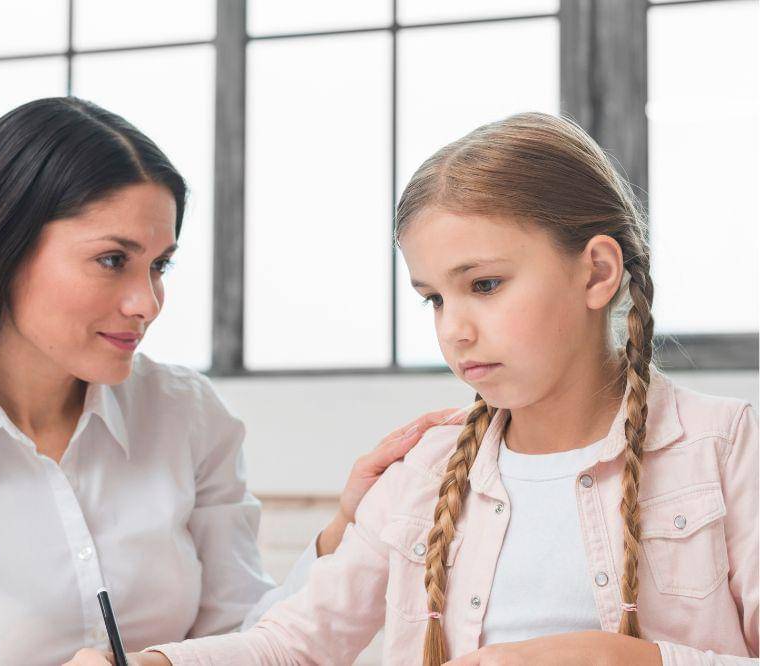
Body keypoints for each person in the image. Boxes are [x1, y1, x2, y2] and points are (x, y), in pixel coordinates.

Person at [0, 97, 462, 666]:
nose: (146, 303)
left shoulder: (185, 416)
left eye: (159, 265)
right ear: (2, 249)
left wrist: (344, 530)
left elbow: (248, 637)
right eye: (112, 260)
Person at [90, 112, 758, 665]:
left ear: (597, 272)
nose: (455, 330)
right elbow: (293, 644)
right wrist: (153, 664)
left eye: (485, 285)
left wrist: (634, 660)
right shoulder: (424, 473)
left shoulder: (727, 450)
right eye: (434, 298)